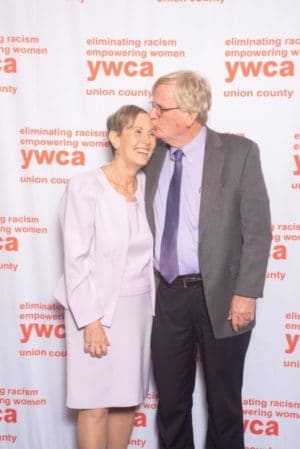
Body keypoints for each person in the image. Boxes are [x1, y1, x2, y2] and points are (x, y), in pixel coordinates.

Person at [144, 71, 272, 449]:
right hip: (165, 297)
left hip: (222, 296)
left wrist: (246, 293)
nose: (150, 115)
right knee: (170, 404)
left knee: (224, 404)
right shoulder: (149, 156)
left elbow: (258, 230)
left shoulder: (238, 153)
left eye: (158, 107)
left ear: (188, 112)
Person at [54, 105, 156, 449]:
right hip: (94, 310)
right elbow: (75, 259)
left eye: (151, 132)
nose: (146, 140)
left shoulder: (145, 185)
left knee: (126, 400)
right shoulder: (85, 186)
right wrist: (91, 321)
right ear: (114, 138)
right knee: (94, 403)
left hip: (137, 310)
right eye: (136, 132)